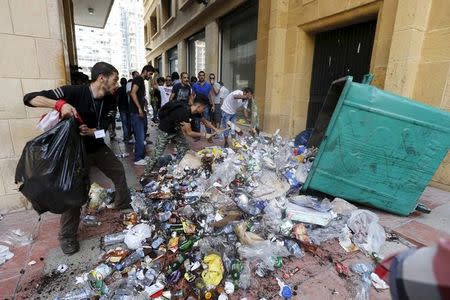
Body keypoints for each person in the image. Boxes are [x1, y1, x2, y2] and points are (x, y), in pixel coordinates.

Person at [23, 62, 131, 255]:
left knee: (118, 170)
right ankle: (67, 236)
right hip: (75, 153)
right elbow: (29, 98)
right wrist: (59, 104)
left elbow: (104, 129)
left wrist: (92, 132)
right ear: (101, 78)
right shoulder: (73, 92)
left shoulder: (110, 100)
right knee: (73, 193)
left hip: (96, 147)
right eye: (114, 80)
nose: (117, 85)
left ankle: (123, 204)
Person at [141, 94, 219, 181]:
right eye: (203, 108)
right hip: (165, 131)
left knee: (184, 150)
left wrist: (215, 129)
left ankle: (181, 169)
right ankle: (145, 174)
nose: (204, 110)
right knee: (157, 154)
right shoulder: (184, 112)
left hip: (175, 129)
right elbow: (189, 132)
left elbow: (205, 121)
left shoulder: (195, 112)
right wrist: (204, 135)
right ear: (199, 106)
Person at [130, 64, 155, 165]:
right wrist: (139, 109)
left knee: (142, 134)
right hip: (136, 112)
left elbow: (139, 95)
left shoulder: (141, 81)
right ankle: (138, 158)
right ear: (145, 71)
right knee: (140, 135)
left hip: (140, 112)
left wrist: (144, 107)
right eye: (150, 74)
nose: (150, 76)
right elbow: (133, 93)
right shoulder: (138, 79)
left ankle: (142, 155)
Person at [192, 71, 214, 139]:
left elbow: (211, 96)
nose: (201, 76)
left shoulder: (208, 85)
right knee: (197, 121)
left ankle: (209, 137)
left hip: (205, 106)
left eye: (203, 75)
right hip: (197, 106)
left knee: (207, 120)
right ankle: (198, 136)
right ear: (198, 76)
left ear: (204, 76)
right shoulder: (195, 85)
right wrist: (192, 105)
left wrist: (213, 105)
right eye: (200, 75)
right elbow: (192, 95)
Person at [117, 78, 131, 142]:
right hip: (129, 108)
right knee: (129, 122)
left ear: (120, 82)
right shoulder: (129, 88)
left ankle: (126, 137)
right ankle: (129, 135)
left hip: (122, 108)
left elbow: (117, 99)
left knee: (124, 123)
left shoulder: (119, 89)